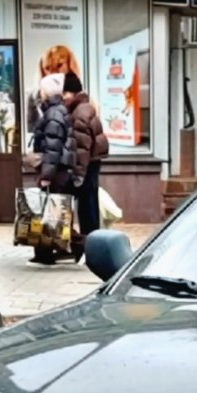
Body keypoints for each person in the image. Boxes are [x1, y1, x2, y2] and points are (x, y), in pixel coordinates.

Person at [63, 70, 109, 261]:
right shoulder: (84, 107)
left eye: (65, 93)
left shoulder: (79, 112)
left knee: (87, 210)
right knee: (89, 207)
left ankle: (90, 250)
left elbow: (82, 147)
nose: (63, 98)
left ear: (72, 93)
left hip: (87, 167)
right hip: (92, 165)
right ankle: (92, 248)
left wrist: (78, 175)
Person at [31, 73, 74, 194]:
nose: (40, 92)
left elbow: (53, 148)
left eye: (42, 89)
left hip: (56, 174)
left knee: (55, 209)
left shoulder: (53, 113)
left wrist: (46, 177)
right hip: (59, 171)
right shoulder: (57, 110)